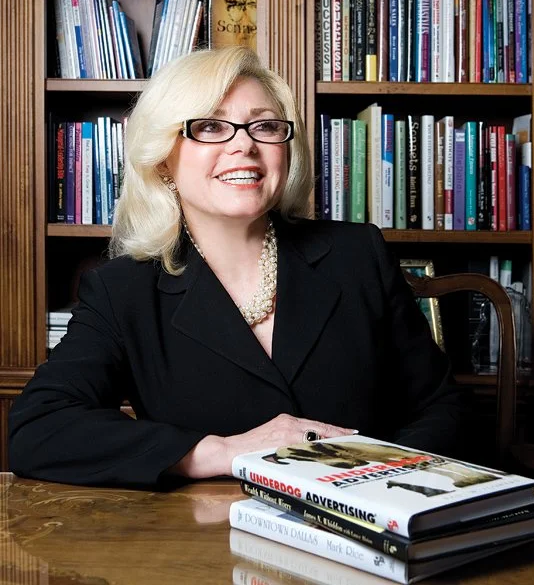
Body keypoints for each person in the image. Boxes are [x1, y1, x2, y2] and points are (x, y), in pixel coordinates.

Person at [8, 46, 468, 489]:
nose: (244, 146)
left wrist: (377, 482)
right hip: (205, 545)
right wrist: (226, 452)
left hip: (363, 533)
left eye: (264, 126)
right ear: (163, 158)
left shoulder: (357, 254)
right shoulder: (122, 290)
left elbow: (442, 408)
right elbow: (40, 429)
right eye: (210, 127)